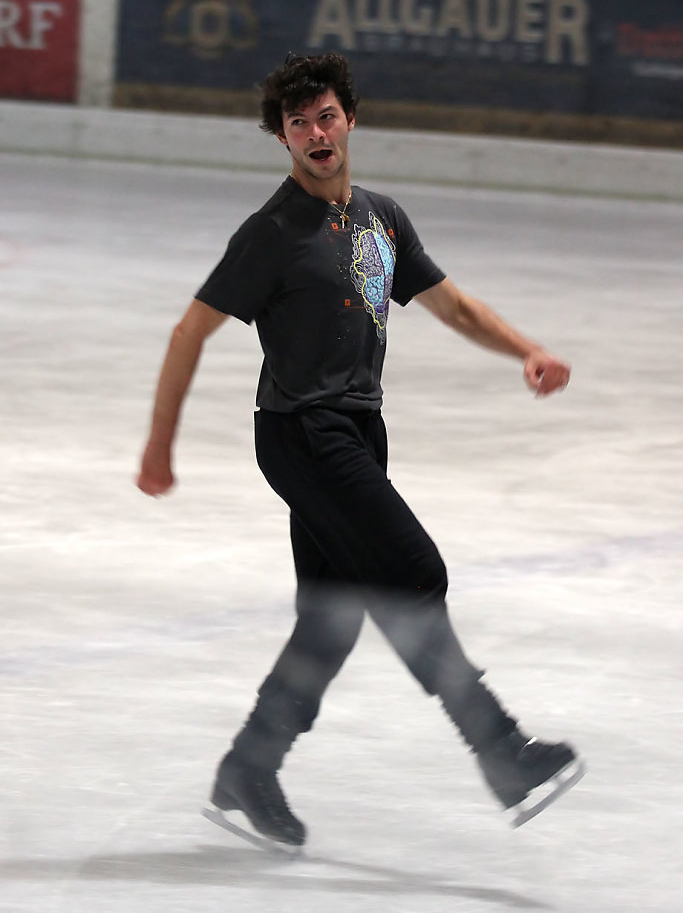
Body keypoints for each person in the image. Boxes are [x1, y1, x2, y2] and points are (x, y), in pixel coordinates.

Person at [137, 52, 584, 848]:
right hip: (302, 434)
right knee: (415, 572)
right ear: (281, 139)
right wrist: (159, 446)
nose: (315, 132)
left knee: (332, 618)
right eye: (297, 122)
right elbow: (188, 331)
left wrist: (526, 348)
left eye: (326, 116)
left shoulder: (379, 218)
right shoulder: (271, 233)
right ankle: (500, 751)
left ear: (349, 120)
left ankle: (250, 767)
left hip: (357, 430)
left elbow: (451, 305)